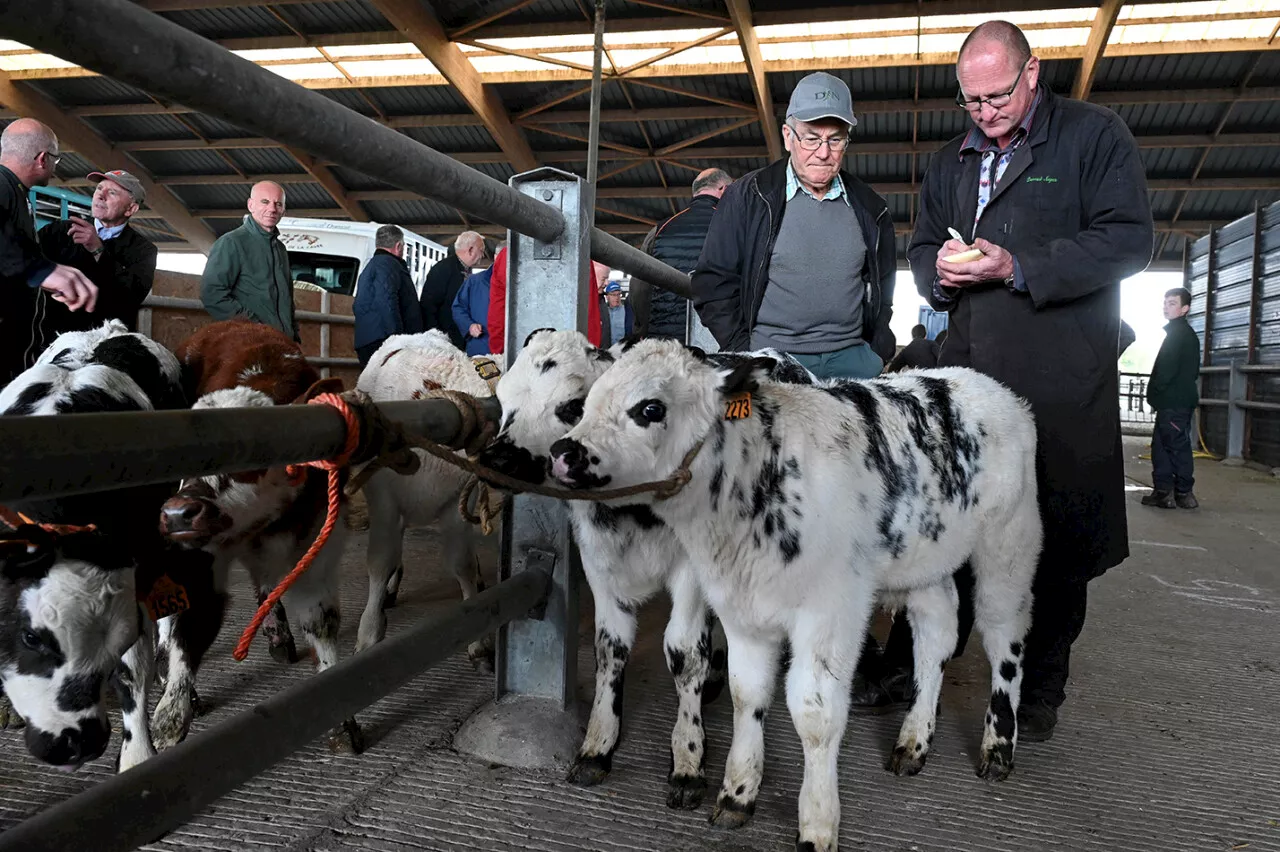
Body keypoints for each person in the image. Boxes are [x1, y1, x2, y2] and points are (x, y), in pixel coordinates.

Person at [905, 21, 1154, 740]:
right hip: (970, 380)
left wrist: (1016, 266)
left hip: (1060, 380)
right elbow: (924, 242)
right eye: (971, 99)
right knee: (949, 525)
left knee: (1057, 532)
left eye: (997, 94)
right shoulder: (952, 159)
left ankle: (1041, 686)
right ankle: (924, 662)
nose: (984, 110)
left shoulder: (1093, 136)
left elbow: (1129, 240)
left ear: (1033, 73)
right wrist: (939, 275)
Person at [692, 71, 896, 380]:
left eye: (835, 139)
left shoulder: (872, 208)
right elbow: (712, 282)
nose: (824, 152)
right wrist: (743, 349)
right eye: (812, 138)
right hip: (772, 358)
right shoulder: (749, 196)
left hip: (853, 361)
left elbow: (884, 289)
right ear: (788, 136)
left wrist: (877, 351)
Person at [0, 118, 98, 383]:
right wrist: (39, 270)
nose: (55, 167)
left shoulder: (16, 193)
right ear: (43, 159)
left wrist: (43, 272)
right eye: (56, 159)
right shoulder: (2, 185)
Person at [33, 169, 156, 347]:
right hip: (49, 340)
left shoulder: (143, 251)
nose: (100, 196)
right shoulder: (58, 232)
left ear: (131, 208)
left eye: (112, 192)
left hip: (104, 346)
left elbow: (130, 297)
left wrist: (99, 251)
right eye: (99, 188)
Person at [630, 168, 732, 341]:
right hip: (719, 340)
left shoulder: (661, 229)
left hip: (665, 342)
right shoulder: (734, 226)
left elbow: (640, 288)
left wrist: (643, 329)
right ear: (724, 189)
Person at [201, 180, 297, 341]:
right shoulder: (232, 243)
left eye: (278, 204)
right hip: (247, 342)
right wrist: (253, 327)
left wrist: (295, 336)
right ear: (250, 205)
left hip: (281, 341)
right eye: (265, 202)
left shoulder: (280, 249)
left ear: (284, 210)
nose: (272, 209)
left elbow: (287, 298)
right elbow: (212, 293)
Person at [1143, 287, 1201, 510]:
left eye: (1172, 303)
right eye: (1165, 302)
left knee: (1177, 448)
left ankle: (1184, 493)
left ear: (1185, 309)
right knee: (1162, 447)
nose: (1166, 307)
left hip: (1173, 403)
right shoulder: (1180, 334)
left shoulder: (1179, 336)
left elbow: (1165, 372)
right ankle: (1163, 493)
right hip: (1171, 403)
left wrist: (1154, 394)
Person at [487, 249, 601, 357]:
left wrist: (499, 352)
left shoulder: (508, 256)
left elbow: (497, 314)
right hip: (567, 358)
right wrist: (590, 355)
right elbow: (589, 312)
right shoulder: (578, 253)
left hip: (521, 357)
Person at [353, 224, 423, 366]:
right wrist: (396, 339)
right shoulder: (389, 265)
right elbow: (386, 301)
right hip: (383, 342)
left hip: (369, 338)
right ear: (398, 246)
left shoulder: (371, 266)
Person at [422, 230, 485, 350]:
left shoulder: (464, 270)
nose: (482, 256)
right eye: (481, 250)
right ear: (471, 250)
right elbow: (428, 306)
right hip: (445, 341)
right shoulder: (443, 269)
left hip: (456, 339)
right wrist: (437, 338)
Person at [452, 245, 499, 356]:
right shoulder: (474, 281)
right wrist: (469, 325)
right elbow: (458, 308)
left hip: (515, 351)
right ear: (496, 257)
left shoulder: (525, 283)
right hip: (480, 347)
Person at [600, 281, 634, 346]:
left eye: (618, 294)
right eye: (613, 295)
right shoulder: (603, 312)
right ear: (607, 296)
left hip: (622, 350)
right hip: (606, 350)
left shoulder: (627, 312)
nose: (617, 297)